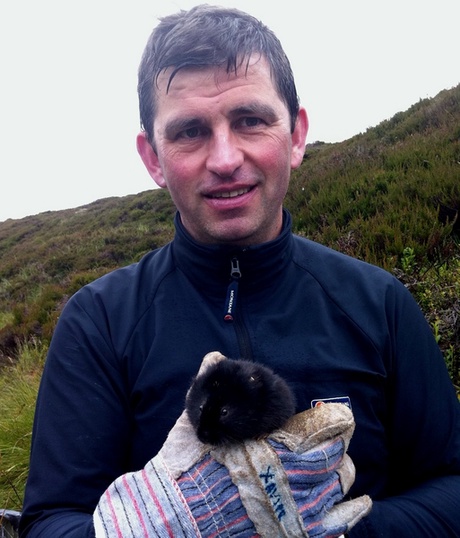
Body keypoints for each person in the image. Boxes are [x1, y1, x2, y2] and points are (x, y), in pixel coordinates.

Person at [19, 4, 460, 537]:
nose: (225, 158)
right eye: (189, 131)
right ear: (153, 157)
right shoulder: (100, 322)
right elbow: (50, 519)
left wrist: (342, 534)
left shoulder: (380, 303)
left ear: (296, 135)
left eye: (250, 120)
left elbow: (450, 484)